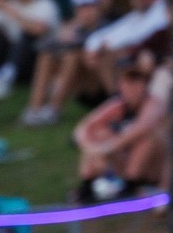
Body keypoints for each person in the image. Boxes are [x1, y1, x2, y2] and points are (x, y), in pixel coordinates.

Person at [72, 60, 167, 202]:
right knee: (98, 133)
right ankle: (88, 184)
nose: (132, 86)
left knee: (147, 138)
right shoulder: (118, 105)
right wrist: (91, 147)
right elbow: (82, 129)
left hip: (157, 167)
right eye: (127, 81)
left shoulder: (154, 104)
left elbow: (142, 128)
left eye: (136, 81)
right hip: (123, 160)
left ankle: (131, 185)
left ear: (145, 84)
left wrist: (106, 148)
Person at [24, 0, 108, 127]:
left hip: (100, 87)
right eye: (81, 7)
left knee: (73, 55)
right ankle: (34, 109)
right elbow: (42, 47)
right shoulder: (74, 28)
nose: (86, 11)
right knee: (47, 56)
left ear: (97, 6)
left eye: (90, 6)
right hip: (80, 88)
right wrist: (63, 35)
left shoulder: (108, 26)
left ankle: (53, 109)